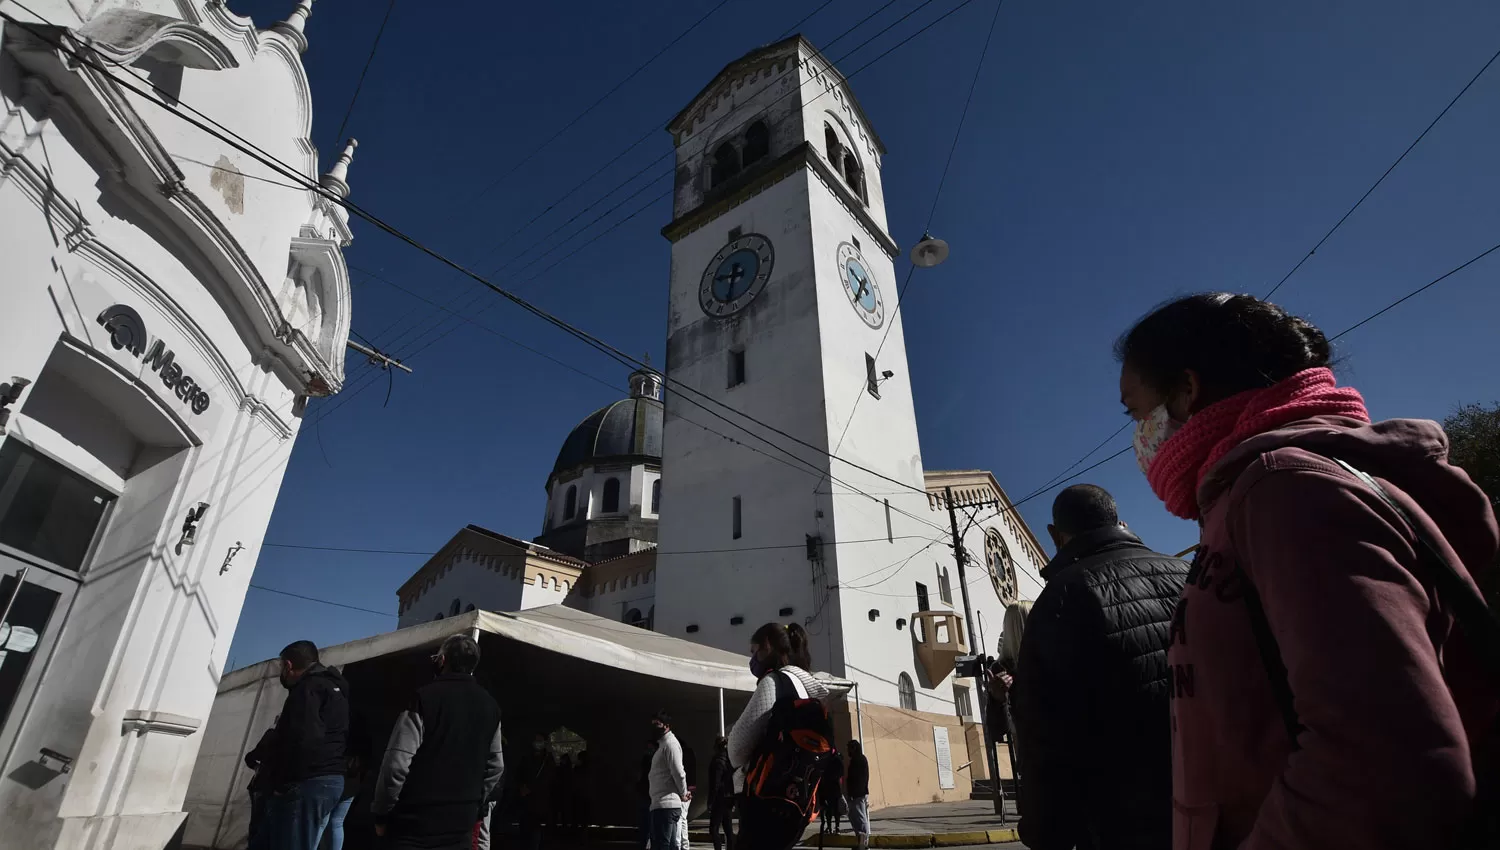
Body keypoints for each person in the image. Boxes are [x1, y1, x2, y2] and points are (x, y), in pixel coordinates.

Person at [1117, 292, 1500, 849]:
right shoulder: (1253, 498)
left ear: (1186, 391)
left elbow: (1383, 760)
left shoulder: (1288, 493)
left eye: (1136, 412)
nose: (1138, 437)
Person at [1009, 484, 1188, 850]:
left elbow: (1045, 735)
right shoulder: (1188, 575)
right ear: (1120, 521)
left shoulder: (1060, 599)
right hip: (1213, 805)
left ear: (1055, 536)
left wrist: (1048, 832)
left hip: (1123, 821)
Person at [371, 634, 503, 850]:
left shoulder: (424, 698)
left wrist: (381, 812)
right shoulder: (491, 707)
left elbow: (396, 764)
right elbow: (496, 767)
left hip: (414, 825)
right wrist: (473, 802)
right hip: (461, 825)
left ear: (442, 660)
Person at [728, 622, 830, 850]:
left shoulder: (774, 682)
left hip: (765, 800)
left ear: (768, 647)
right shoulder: (805, 690)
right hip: (797, 804)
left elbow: (737, 749)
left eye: (754, 651)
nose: (752, 659)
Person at [256, 641, 350, 850]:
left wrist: (281, 782)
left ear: (288, 666)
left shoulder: (308, 688)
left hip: (308, 781)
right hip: (328, 778)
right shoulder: (334, 688)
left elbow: (306, 739)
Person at [648, 711, 691, 850]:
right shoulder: (664, 745)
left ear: (666, 726)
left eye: (657, 724)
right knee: (671, 845)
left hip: (665, 805)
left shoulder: (670, 745)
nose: (654, 727)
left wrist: (683, 793)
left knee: (662, 845)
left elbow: (679, 772)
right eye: (653, 724)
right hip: (663, 804)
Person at [518, 732, 555, 850]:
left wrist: (531, 788)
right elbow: (519, 774)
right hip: (526, 801)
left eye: (540, 741)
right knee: (524, 828)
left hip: (540, 800)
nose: (537, 744)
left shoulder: (548, 760)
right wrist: (521, 787)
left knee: (536, 829)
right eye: (536, 740)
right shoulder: (526, 757)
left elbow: (548, 778)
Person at [707, 737, 736, 850]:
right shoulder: (729, 762)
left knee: (714, 828)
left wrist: (710, 802)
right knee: (728, 828)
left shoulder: (717, 761)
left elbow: (715, 784)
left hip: (719, 799)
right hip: (728, 798)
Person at [844, 741, 870, 850]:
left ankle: (864, 842)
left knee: (860, 818)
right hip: (858, 793)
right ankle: (861, 842)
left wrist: (853, 793)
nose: (848, 751)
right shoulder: (858, 759)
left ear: (854, 748)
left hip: (858, 794)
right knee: (856, 817)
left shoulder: (858, 760)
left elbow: (858, 779)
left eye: (850, 748)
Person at [817, 748, 844, 836]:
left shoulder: (835, 760)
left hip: (832, 788)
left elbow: (839, 774)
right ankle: (831, 827)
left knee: (834, 809)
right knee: (829, 809)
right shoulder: (826, 759)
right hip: (828, 789)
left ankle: (836, 827)